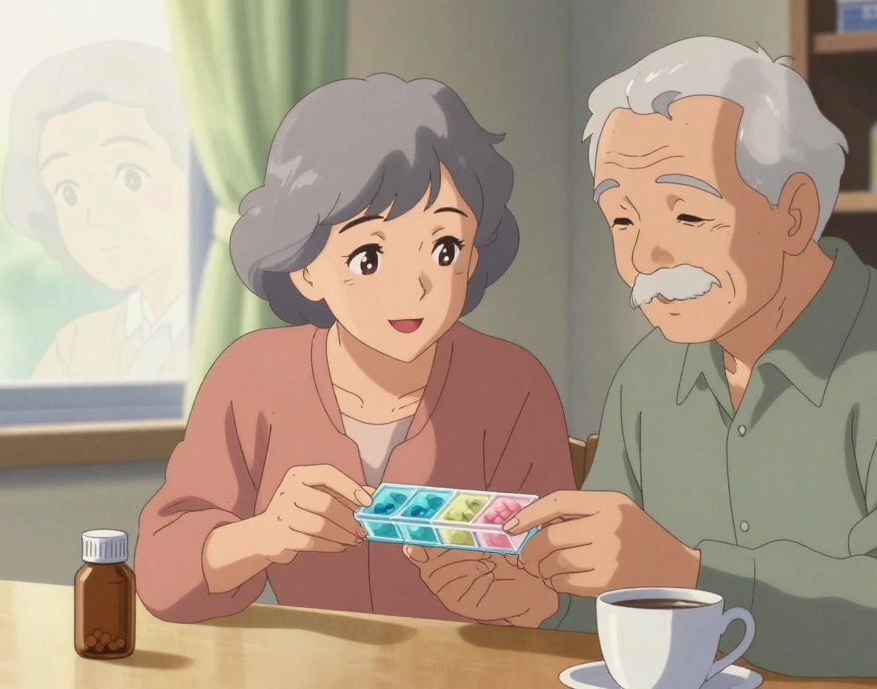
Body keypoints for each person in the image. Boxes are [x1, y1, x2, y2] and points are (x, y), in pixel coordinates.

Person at [406, 37, 877, 680]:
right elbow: (622, 599)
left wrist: (686, 569)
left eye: (687, 215)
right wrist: (540, 601)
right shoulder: (648, 378)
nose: (645, 256)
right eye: (622, 221)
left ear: (793, 214)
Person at [135, 73, 574, 625]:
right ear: (304, 267)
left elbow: (561, 586)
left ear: (472, 255)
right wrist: (265, 535)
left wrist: (517, 600)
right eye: (369, 256)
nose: (414, 288)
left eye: (443, 248)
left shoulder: (511, 384)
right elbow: (161, 575)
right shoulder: (252, 377)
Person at [2, 40, 191, 381]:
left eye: (131, 177)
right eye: (68, 192)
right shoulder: (75, 344)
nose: (96, 216)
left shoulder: (244, 324)